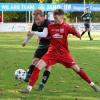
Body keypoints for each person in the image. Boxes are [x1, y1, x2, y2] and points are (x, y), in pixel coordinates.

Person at [19, 9, 100, 93]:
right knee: (37, 67)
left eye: (56, 18)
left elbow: (79, 35)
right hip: (52, 53)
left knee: (77, 69)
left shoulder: (67, 27)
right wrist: (33, 35)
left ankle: (92, 85)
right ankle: (28, 88)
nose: (55, 20)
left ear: (62, 17)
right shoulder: (50, 26)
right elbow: (44, 34)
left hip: (64, 54)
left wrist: (75, 31)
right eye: (54, 18)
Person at [22, 9, 51, 91]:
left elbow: (44, 34)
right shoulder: (35, 24)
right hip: (42, 45)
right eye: (35, 19)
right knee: (35, 61)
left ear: (43, 17)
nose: (37, 21)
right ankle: (28, 75)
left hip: (51, 46)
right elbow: (31, 34)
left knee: (48, 66)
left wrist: (34, 33)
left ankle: (42, 84)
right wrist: (25, 41)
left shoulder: (47, 23)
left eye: (38, 19)